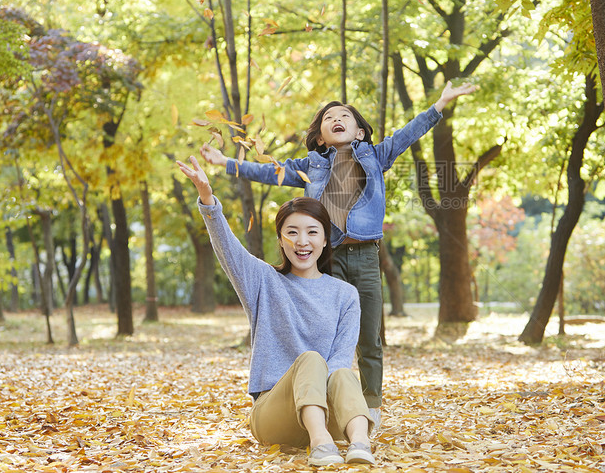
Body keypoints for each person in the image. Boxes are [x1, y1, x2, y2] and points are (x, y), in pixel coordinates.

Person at [200, 80, 476, 425]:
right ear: (320, 137)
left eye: (344, 116)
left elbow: (408, 134)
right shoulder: (311, 165)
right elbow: (272, 172)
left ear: (359, 131)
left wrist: (440, 104)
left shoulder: (376, 155)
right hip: (325, 258)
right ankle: (319, 403)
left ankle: (370, 408)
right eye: (329, 117)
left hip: (365, 256)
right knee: (324, 335)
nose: (337, 119)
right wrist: (227, 162)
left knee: (369, 337)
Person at [176, 155, 376, 466]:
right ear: (281, 241)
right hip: (273, 415)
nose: (302, 241)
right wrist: (207, 197)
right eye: (292, 232)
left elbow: (339, 362)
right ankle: (320, 444)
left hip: (327, 412)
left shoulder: (345, 295)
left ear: (325, 240)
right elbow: (228, 248)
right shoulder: (264, 281)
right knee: (311, 359)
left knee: (342, 371)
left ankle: (361, 443)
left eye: (312, 232)